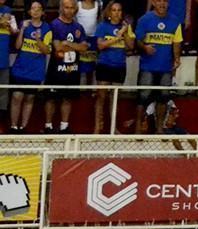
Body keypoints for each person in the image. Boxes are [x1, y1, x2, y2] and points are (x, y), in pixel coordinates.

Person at [135, 0, 182, 134]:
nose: (162, 4)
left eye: (165, 1)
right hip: (147, 66)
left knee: (164, 97)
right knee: (142, 97)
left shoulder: (175, 21)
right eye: (159, 1)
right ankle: (138, 129)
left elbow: (177, 42)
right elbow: (137, 40)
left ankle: (159, 128)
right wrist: (144, 47)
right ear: (154, 3)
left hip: (166, 67)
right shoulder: (144, 19)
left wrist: (177, 59)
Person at [44, 0, 89, 133]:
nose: (69, 10)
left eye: (72, 8)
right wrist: (75, 46)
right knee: (51, 98)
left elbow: (84, 48)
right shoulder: (54, 25)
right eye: (66, 7)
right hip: (56, 70)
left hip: (72, 70)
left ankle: (64, 126)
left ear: (75, 9)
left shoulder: (78, 27)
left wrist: (67, 44)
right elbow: (58, 47)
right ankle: (48, 126)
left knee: (67, 98)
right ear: (61, 8)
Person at [9, 1, 51, 133]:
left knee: (29, 98)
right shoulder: (24, 24)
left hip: (36, 70)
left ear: (43, 12)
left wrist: (38, 39)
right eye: (33, 8)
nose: (36, 11)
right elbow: (17, 46)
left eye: (39, 9)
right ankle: (14, 126)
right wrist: (22, 29)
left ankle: (23, 127)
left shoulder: (47, 28)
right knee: (17, 96)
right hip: (20, 68)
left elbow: (46, 51)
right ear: (29, 11)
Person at [94, 1, 134, 133]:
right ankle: (97, 127)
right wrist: (117, 38)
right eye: (114, 10)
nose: (117, 13)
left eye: (119, 10)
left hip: (119, 66)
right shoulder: (102, 26)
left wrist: (125, 32)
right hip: (104, 64)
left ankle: (113, 128)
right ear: (109, 13)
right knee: (101, 96)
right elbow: (100, 45)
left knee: (115, 98)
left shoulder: (125, 28)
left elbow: (130, 46)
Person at [0, 0, 19, 129]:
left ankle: (1, 122)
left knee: (3, 92)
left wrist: (9, 25)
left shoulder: (8, 11)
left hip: (4, 60)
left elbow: (15, 31)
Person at [75, 0, 100, 86]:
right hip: (79, 39)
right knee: (77, 65)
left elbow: (100, 20)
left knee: (90, 66)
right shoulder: (78, 4)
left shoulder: (99, 4)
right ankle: (76, 89)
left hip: (93, 38)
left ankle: (89, 89)